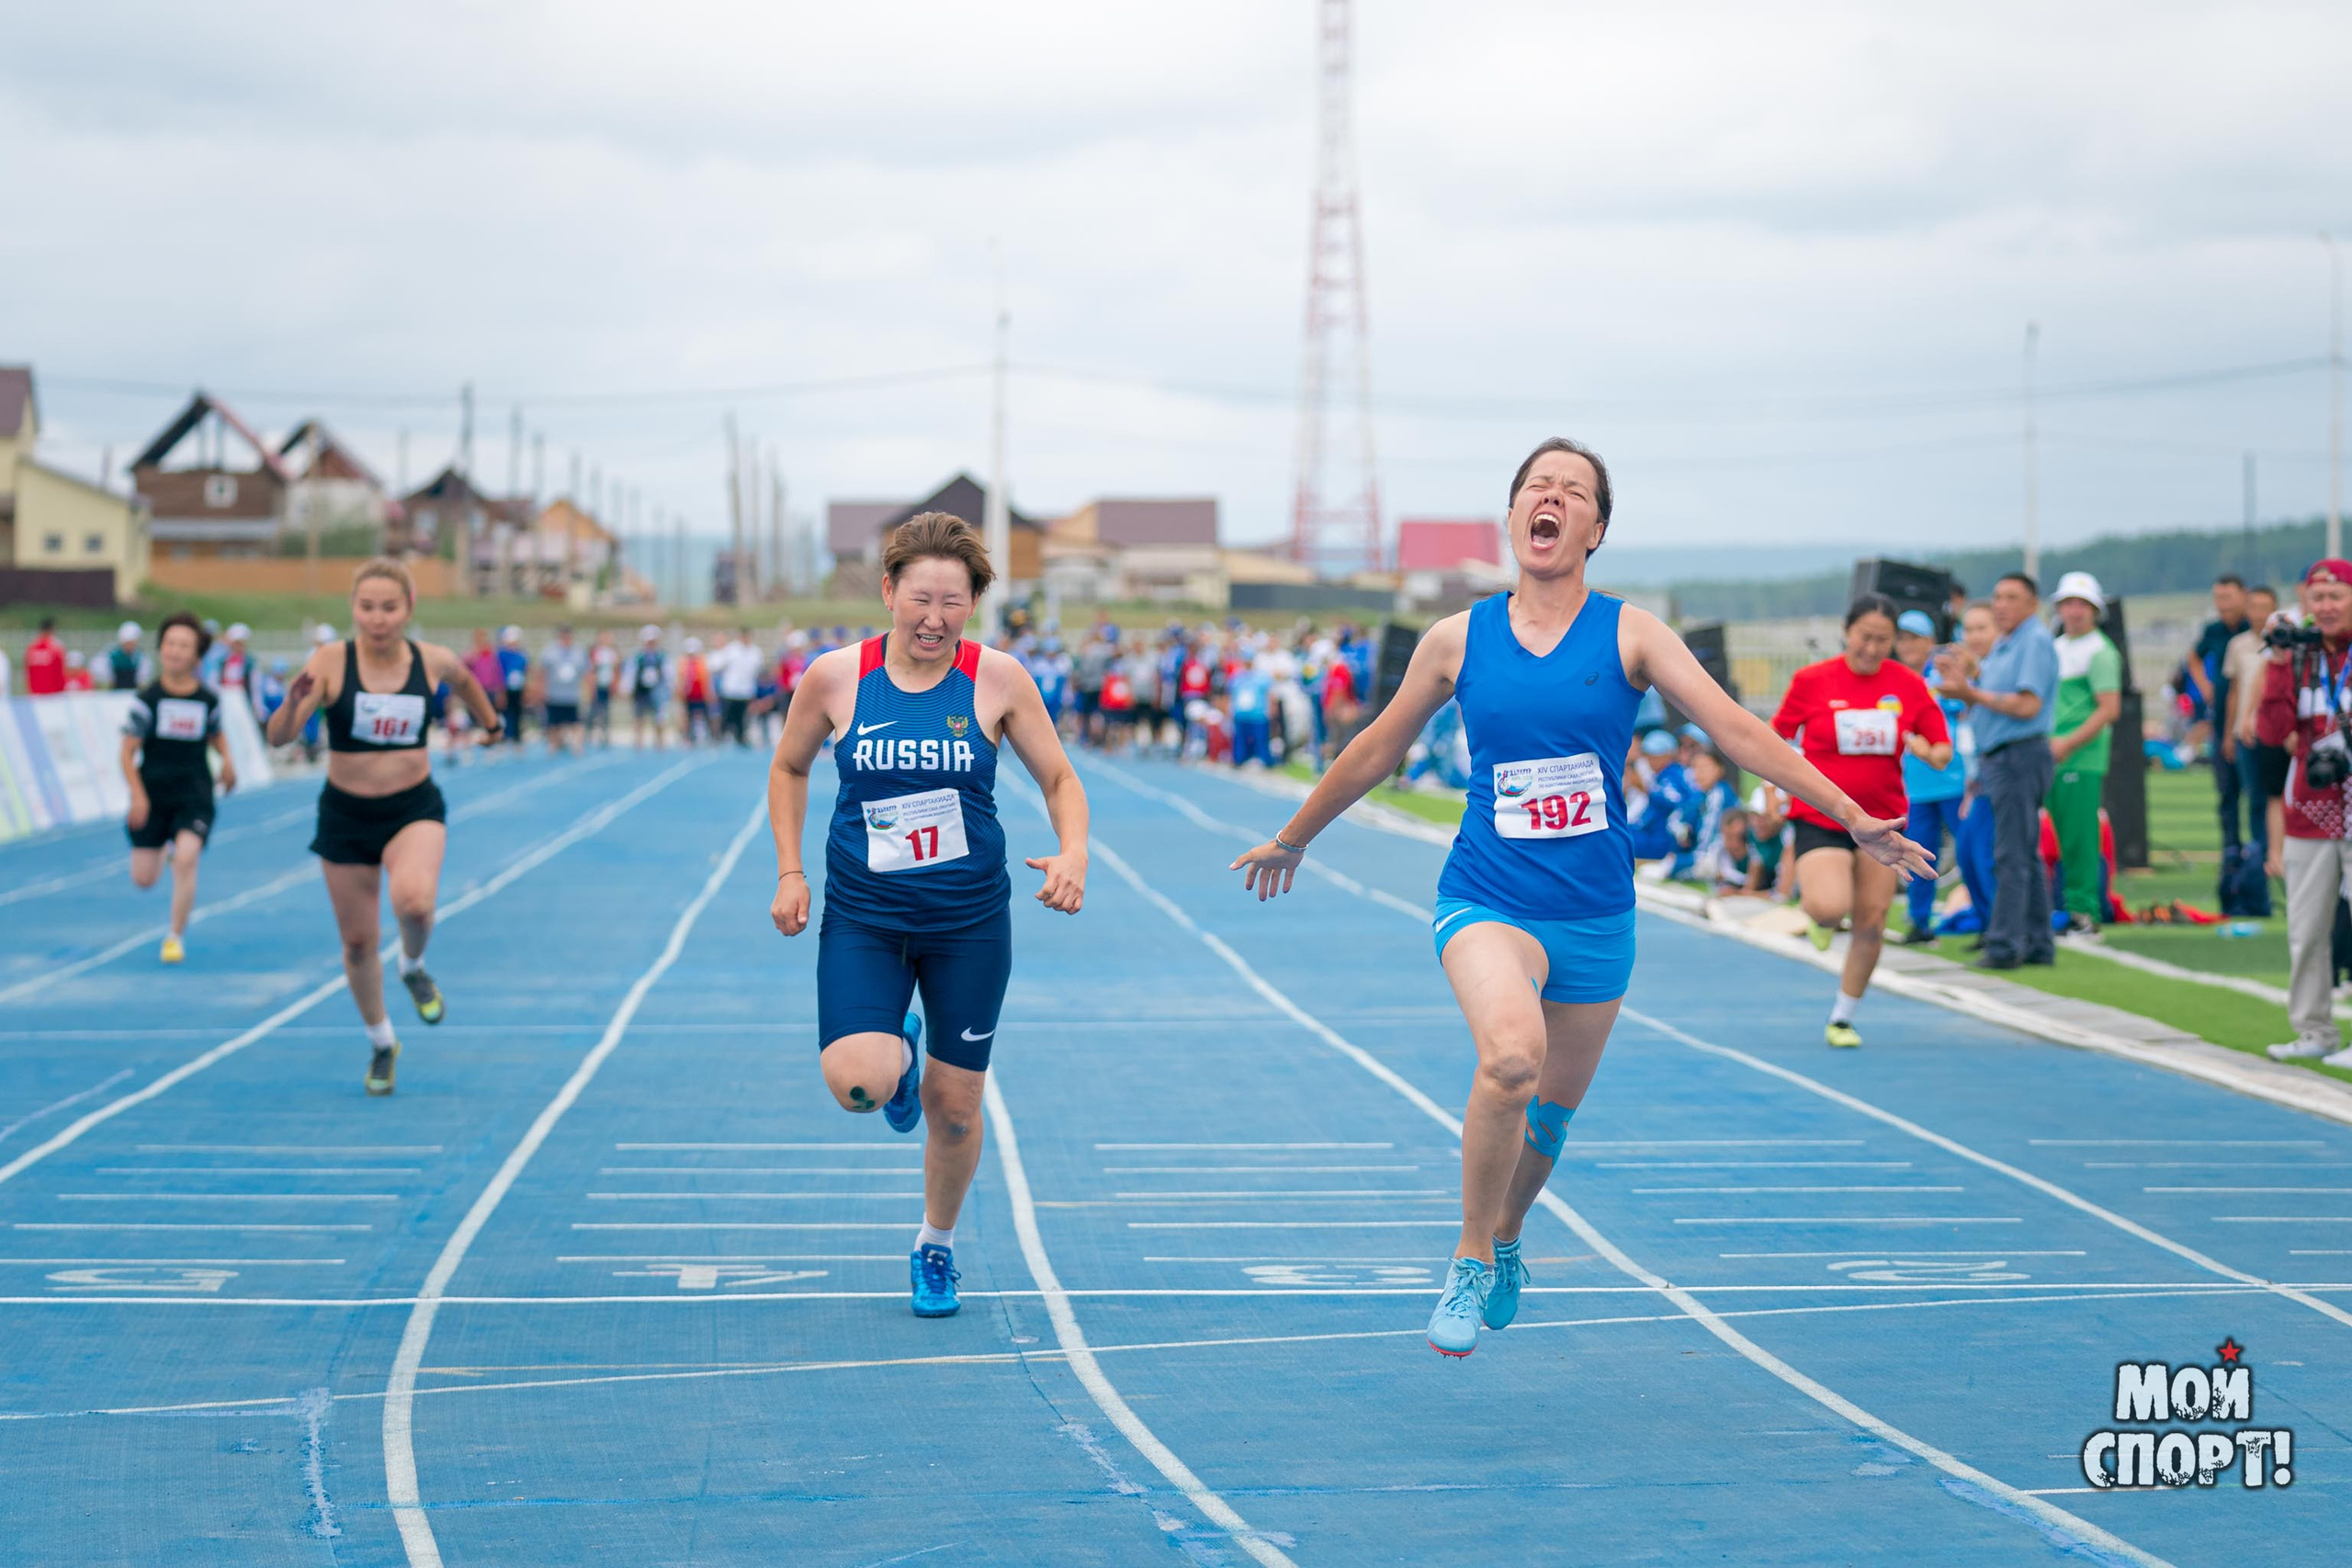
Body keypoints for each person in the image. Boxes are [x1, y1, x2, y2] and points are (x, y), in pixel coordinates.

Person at [1228, 438, 1932, 1358]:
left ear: (1595, 528)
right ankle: (1471, 1254)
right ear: (1514, 514)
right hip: (1486, 894)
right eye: (1535, 487)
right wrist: (1295, 836)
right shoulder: (1458, 638)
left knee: (1550, 1118)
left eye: (1571, 491)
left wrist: (1852, 815)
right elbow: (1376, 747)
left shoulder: (1631, 634)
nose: (1550, 499)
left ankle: (1511, 1229)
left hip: (1596, 912)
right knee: (1509, 1062)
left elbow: (1732, 729)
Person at [767, 512, 1089, 1318]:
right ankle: (897, 1059)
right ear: (888, 592)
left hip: (969, 924)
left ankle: (934, 1246)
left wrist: (1074, 850)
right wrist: (791, 869)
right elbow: (789, 764)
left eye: (953, 601)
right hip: (866, 919)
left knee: (955, 1111)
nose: (934, 618)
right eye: (920, 598)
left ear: (974, 602)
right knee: (858, 1085)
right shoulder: (837, 677)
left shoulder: (999, 678)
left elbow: (1059, 778)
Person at [265, 559, 503, 1095]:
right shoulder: (329, 661)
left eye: (389, 608)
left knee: (414, 903)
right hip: (346, 814)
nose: (377, 619)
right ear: (353, 609)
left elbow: (465, 681)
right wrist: (291, 701)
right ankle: (381, 1042)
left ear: (409, 609)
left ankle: (413, 964)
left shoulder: (432, 660)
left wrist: (492, 724)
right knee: (356, 943)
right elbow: (279, 738)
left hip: (411, 808)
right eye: (366, 607)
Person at [1772, 595, 1951, 1045]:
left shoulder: (1908, 684)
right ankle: (1820, 916)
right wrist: (1770, 795)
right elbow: (1775, 737)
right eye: (1865, 637)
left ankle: (1843, 1017)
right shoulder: (1812, 680)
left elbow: (1941, 747)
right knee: (1832, 905)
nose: (1872, 648)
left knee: (1872, 921)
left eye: (1883, 640)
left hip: (1884, 821)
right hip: (1822, 814)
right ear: (1847, 632)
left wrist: (1930, 752)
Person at [2256, 559, 2352, 1066]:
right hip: (2310, 809)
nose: (2327, 606)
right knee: (2307, 928)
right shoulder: (2298, 656)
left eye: (2337, 595)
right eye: (2318, 597)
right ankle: (2314, 1030)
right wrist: (2275, 663)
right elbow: (2271, 732)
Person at [1939, 573, 2059, 969]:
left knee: (2009, 854)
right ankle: (2038, 942)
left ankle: (2005, 945)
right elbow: (1991, 701)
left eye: (2012, 597)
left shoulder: (2033, 641)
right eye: (1997, 597)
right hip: (2003, 755)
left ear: (2032, 604)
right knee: (2022, 852)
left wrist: (1969, 691)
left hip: (2019, 755)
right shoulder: (2007, 645)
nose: (2002, 605)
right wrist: (1970, 679)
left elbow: (2027, 706)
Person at [120, 612, 238, 964]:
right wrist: (138, 796)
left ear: (196, 656)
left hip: (195, 795)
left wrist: (228, 762)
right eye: (170, 643)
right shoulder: (147, 700)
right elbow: (126, 754)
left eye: (184, 645)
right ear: (160, 650)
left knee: (186, 859)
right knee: (144, 879)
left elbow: (217, 736)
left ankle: (175, 936)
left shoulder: (207, 700)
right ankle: (163, 844)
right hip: (154, 796)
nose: (175, 651)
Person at [2047, 572, 2124, 934]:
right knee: (2060, 838)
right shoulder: (2057, 646)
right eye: (2068, 603)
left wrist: (2067, 742)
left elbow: (2108, 709)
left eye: (2081, 604)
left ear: (2094, 610)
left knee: (2079, 838)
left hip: (2079, 756)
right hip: (2053, 754)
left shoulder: (2101, 651)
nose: (2074, 611)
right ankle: (2065, 908)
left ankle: (2084, 913)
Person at [1894, 609, 1968, 942]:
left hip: (1953, 778)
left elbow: (1963, 708)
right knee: (1918, 852)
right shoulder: (1891, 679)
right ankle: (1920, 921)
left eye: (1914, 638)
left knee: (1971, 849)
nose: (1906, 644)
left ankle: (1990, 914)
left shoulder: (1941, 675)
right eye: (1902, 637)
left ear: (1930, 642)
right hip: (1914, 785)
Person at [2223, 586, 2282, 870]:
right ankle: (2258, 854)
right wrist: (2228, 732)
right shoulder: (2238, 645)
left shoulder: (2284, 643)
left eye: (2265, 607)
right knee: (2254, 796)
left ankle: (2275, 853)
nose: (2259, 614)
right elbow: (2234, 691)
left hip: (2275, 732)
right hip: (2244, 733)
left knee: (2276, 795)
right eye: (2255, 607)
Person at [2194, 575, 2252, 845]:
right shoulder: (2214, 630)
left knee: (2256, 794)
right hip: (2221, 721)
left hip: (2250, 720)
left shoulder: (2254, 628)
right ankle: (2232, 854)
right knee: (2227, 793)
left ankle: (2259, 854)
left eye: (2228, 597)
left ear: (2244, 596)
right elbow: (2193, 656)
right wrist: (2206, 687)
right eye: (2218, 598)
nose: (2222, 604)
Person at [537, 625, 589, 753]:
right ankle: (553, 745)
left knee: (576, 722)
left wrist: (587, 690)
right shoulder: (550, 651)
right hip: (554, 694)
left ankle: (577, 746)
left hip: (572, 694)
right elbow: (542, 672)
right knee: (553, 723)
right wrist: (541, 689)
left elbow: (586, 673)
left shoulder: (579, 651)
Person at [713, 626, 761, 746]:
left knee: (742, 718)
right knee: (727, 716)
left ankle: (741, 737)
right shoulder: (731, 650)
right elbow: (718, 665)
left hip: (745, 691)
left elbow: (758, 670)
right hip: (731, 690)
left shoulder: (755, 652)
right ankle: (721, 737)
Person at [626, 626, 670, 749]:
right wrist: (628, 689)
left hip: (657, 690)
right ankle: (638, 742)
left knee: (659, 718)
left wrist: (669, 688)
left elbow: (668, 673)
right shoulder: (638, 656)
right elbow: (631, 673)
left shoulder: (662, 656)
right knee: (639, 717)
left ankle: (660, 742)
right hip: (641, 690)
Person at [495, 626, 529, 745]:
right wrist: (501, 691)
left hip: (517, 689)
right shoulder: (501, 655)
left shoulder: (521, 655)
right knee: (503, 714)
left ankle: (516, 736)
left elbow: (524, 671)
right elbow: (498, 673)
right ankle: (503, 736)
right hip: (505, 689)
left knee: (517, 712)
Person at [588, 628, 619, 747]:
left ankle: (604, 736)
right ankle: (588, 734)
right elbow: (591, 669)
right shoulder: (595, 651)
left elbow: (617, 669)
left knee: (605, 712)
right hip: (597, 685)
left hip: (607, 685)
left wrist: (615, 684)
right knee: (592, 711)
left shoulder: (612, 652)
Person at [23, 616, 65, 695]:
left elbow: (26, 671)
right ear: (52, 629)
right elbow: (60, 671)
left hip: (35, 692)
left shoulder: (31, 647)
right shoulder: (55, 647)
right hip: (52, 692)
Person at [108, 621, 147, 691]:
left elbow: (142, 681)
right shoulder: (112, 656)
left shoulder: (140, 657)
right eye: (128, 643)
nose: (130, 646)